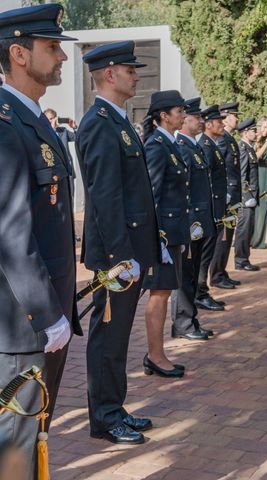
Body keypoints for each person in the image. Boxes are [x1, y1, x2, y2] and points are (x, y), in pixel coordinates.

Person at [0, 4, 79, 475]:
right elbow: (11, 231)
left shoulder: (32, 120)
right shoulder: (7, 124)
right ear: (19, 54)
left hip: (43, 313)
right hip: (22, 321)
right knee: (15, 441)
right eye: (52, 48)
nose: (63, 57)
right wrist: (47, 315)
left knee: (33, 437)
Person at [77, 40, 160, 445]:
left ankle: (115, 406)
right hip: (117, 256)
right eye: (129, 70)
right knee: (108, 336)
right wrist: (120, 257)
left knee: (118, 336)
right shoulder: (98, 123)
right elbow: (105, 198)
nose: (135, 75)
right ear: (109, 74)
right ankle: (105, 418)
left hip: (128, 252)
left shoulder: (118, 121)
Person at [141, 90, 191, 377]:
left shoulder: (169, 143)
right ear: (163, 116)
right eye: (179, 110)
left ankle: (157, 353)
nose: (183, 115)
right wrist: (157, 237)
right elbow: (152, 195)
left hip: (173, 232)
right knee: (159, 294)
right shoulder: (157, 145)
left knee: (164, 292)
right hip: (163, 235)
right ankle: (155, 356)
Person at [171, 97, 218, 341]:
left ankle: (190, 320)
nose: (201, 121)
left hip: (199, 223)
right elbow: (182, 191)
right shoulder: (181, 147)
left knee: (191, 273)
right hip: (191, 223)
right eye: (196, 117)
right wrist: (189, 223)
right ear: (184, 120)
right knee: (185, 276)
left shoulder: (194, 147)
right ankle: (183, 323)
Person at [208, 101, 243, 289]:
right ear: (226, 117)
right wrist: (226, 193)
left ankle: (221, 270)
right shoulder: (222, 140)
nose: (237, 119)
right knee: (222, 237)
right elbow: (219, 169)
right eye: (234, 116)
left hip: (232, 197)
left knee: (227, 237)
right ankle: (216, 274)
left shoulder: (229, 138)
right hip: (226, 197)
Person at [235, 117, 260, 271]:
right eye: (253, 130)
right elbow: (242, 175)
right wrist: (247, 196)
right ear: (245, 132)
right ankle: (240, 260)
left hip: (251, 196)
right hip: (247, 198)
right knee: (244, 229)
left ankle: (244, 258)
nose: (256, 133)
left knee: (249, 229)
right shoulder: (243, 149)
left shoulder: (249, 148)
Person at [251, 118, 267, 249]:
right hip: (257, 176)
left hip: (266, 174)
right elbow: (255, 158)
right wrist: (266, 144)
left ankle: (259, 240)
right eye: (265, 127)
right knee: (258, 208)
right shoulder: (255, 141)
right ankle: (254, 240)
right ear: (259, 127)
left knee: (264, 207)